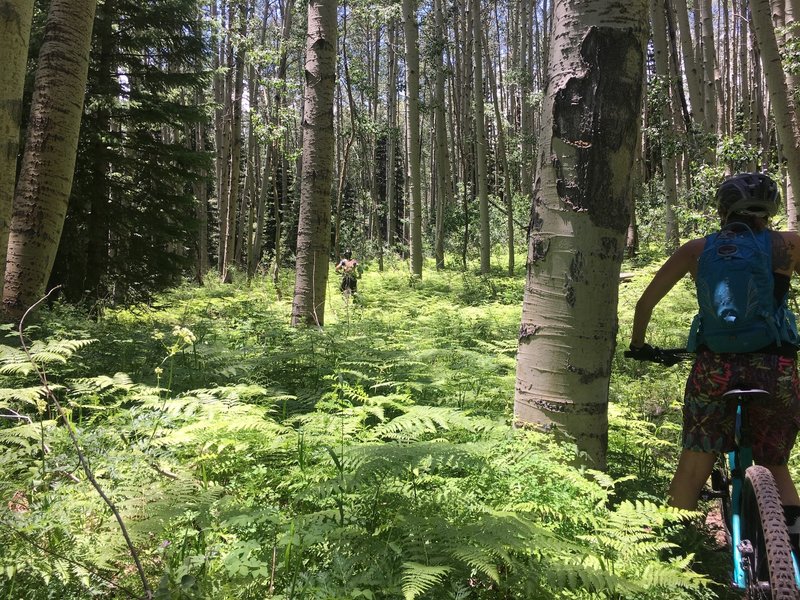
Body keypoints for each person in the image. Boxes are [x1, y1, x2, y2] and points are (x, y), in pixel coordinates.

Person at [628, 172, 800, 542]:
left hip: (714, 369)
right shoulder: (789, 245)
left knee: (694, 462)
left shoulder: (696, 249)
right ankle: (794, 555)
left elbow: (644, 304)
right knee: (775, 462)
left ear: (722, 210)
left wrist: (640, 345)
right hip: (775, 367)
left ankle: (669, 556)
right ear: (768, 211)